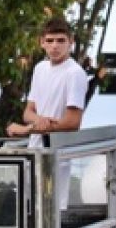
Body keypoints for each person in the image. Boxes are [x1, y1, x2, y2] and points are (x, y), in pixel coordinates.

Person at [7, 16, 88, 209]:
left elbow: (72, 122)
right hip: (34, 151)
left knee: (52, 214)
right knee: (28, 211)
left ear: (71, 42)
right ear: (42, 42)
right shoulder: (40, 69)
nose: (55, 46)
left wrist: (27, 130)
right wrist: (38, 123)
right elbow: (29, 111)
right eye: (50, 41)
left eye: (61, 41)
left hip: (58, 155)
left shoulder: (74, 73)